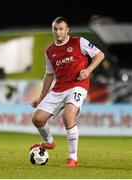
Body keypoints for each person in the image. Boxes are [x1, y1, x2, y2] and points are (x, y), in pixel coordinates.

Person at [30, 17, 105, 167]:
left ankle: (73, 158)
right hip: (59, 88)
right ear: (53, 30)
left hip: (78, 85)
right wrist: (41, 97)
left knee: (68, 115)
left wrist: (88, 70)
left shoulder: (79, 42)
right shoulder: (50, 51)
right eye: (55, 29)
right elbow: (49, 74)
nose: (58, 32)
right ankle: (49, 142)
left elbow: (100, 55)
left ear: (67, 30)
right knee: (37, 118)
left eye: (61, 29)